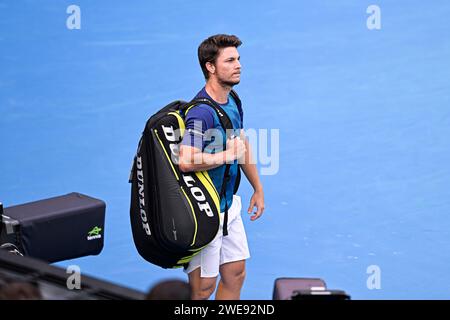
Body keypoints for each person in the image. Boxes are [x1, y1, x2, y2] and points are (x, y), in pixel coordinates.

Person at [178, 34, 265, 300]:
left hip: (228, 205)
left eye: (238, 59)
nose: (238, 65)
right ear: (210, 67)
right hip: (204, 210)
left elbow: (240, 142)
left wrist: (258, 188)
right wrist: (226, 154)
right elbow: (186, 160)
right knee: (202, 288)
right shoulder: (201, 113)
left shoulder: (233, 99)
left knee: (236, 273)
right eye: (230, 60)